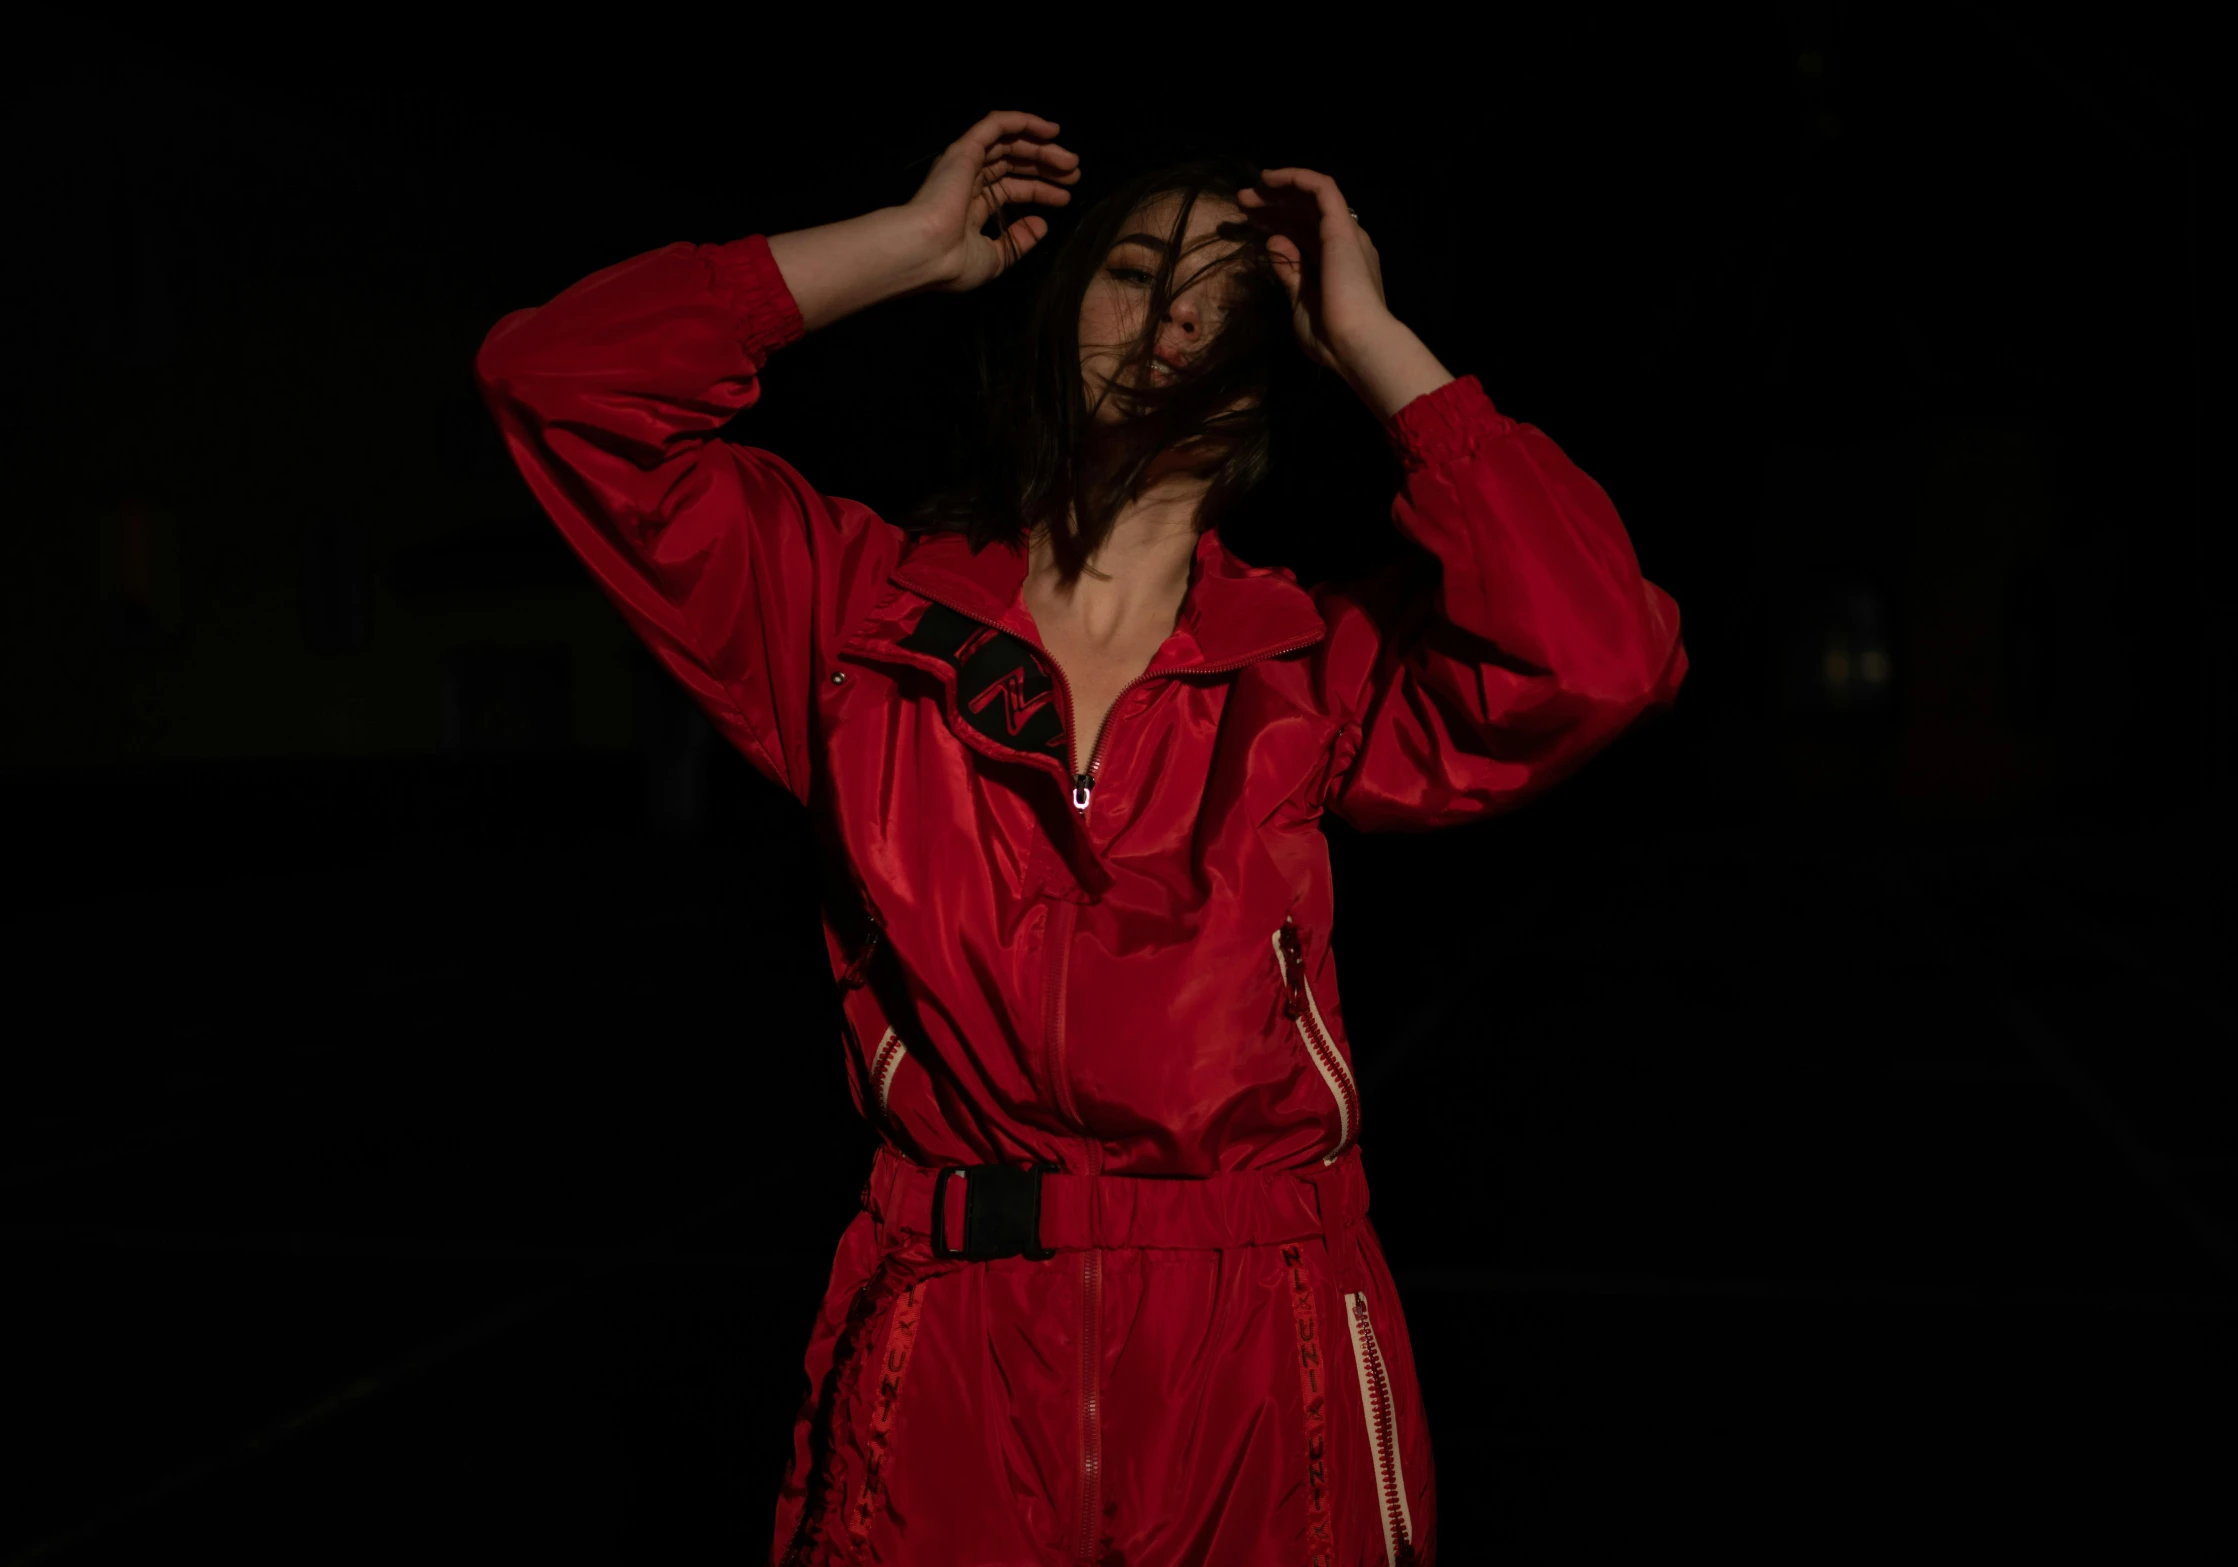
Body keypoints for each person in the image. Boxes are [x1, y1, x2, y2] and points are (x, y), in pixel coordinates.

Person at [478, 108, 1686, 1567]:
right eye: (1132, 269)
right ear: (1061, 308)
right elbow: (553, 383)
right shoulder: (857, 621)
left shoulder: (1310, 664)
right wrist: (903, 247)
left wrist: (1377, 345)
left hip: (1263, 1333)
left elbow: (1603, 655)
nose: (1171, 313)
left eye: (1225, 290)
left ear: (1272, 357)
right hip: (955, 1320)